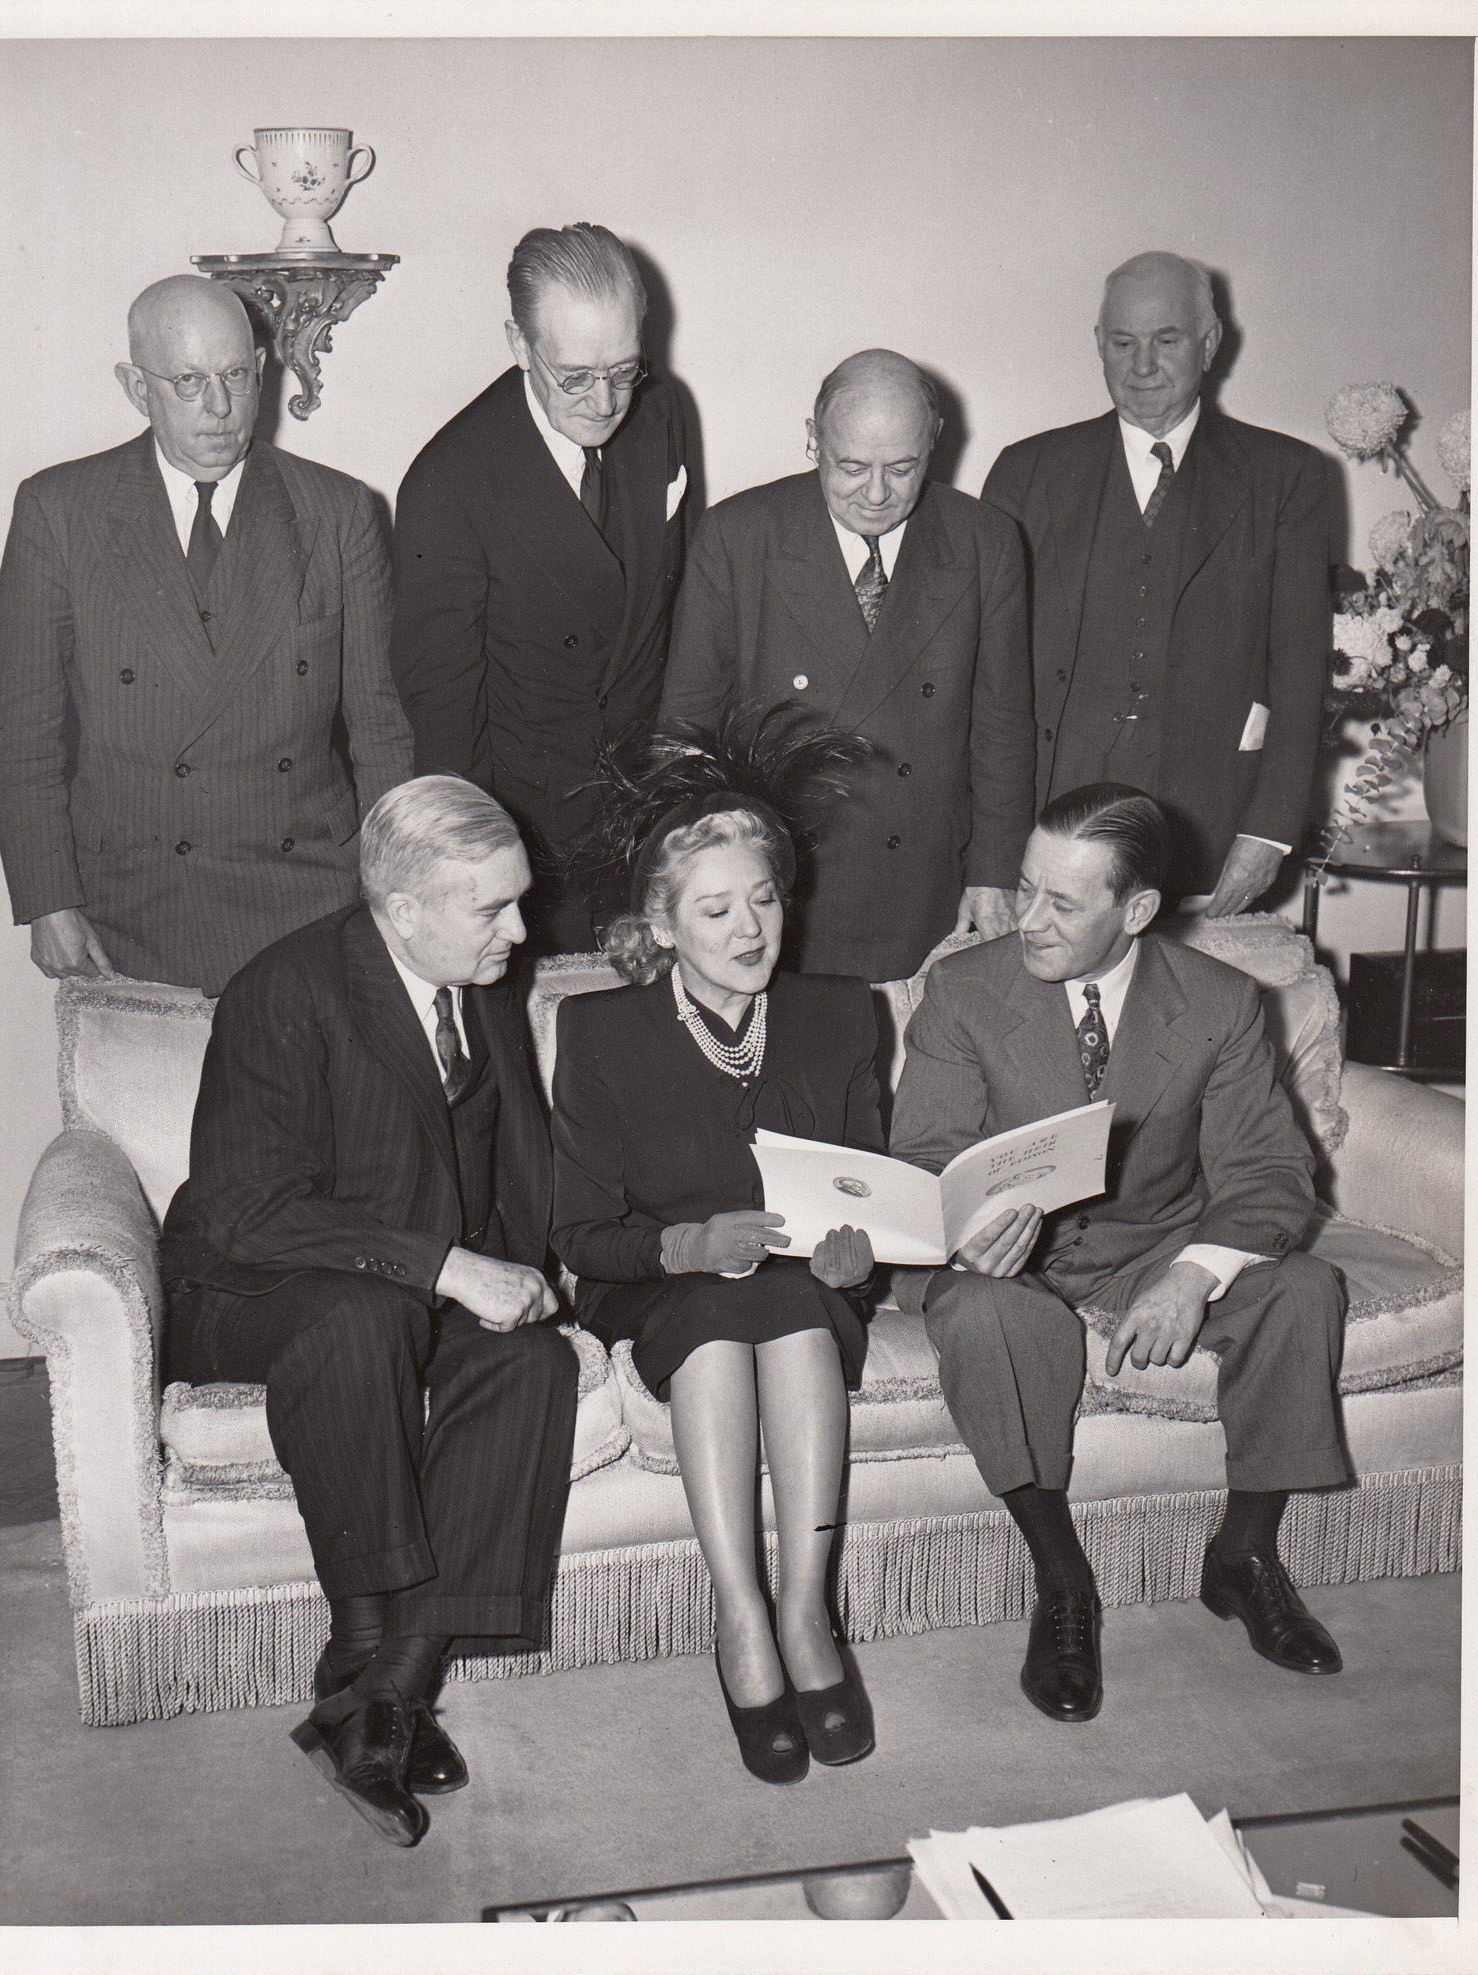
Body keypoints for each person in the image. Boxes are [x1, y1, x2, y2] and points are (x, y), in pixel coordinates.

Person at [160, 776, 579, 1847]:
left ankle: (384, 1689)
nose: (520, 930)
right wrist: (446, 1266)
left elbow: (504, 1160)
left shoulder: (478, 977)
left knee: (532, 1361)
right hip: (254, 1289)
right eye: (492, 907)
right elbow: (247, 1210)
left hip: (405, 1287)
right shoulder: (284, 990)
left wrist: (528, 1275)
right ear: (402, 907)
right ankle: (363, 1652)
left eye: (519, 900)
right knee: (363, 1318)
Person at [890, 783, 1349, 1724]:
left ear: (1135, 910)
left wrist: (1192, 1274)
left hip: (1154, 1245)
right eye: (1025, 887)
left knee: (1304, 1289)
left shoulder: (1218, 1000)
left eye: (1061, 902)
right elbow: (925, 1156)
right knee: (982, 1315)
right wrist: (967, 1229)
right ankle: (1063, 1581)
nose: (1027, 918)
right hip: (1007, 1263)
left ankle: (1243, 1553)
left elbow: (1270, 1171)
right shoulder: (963, 989)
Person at [550, 717, 882, 1784]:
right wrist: (689, 1244)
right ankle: (739, 1612)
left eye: (765, 900)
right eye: (715, 909)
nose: (749, 929)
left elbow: (867, 1193)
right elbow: (577, 1233)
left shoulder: (843, 1015)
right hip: (659, 1285)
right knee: (714, 1317)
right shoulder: (599, 1031)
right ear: (660, 921)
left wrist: (856, 1255)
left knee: (792, 1314)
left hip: (799, 1287)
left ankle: (804, 1612)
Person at [0, 273, 412, 996]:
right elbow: (23, 731)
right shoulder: (59, 511)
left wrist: (395, 892)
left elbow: (381, 728)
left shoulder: (338, 511)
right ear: (136, 387)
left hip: (308, 897)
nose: (219, 408)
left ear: (262, 369)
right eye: (188, 382)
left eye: (235, 376)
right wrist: (48, 900)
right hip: (131, 905)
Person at [660, 349, 1035, 982]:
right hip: (780, 887)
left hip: (927, 878)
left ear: (936, 441)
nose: (877, 494)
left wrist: (995, 871)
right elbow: (685, 736)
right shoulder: (737, 537)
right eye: (852, 467)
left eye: (903, 467)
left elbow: (1003, 730)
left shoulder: (986, 541)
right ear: (814, 439)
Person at [981, 252, 1330, 916]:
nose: (1142, 365)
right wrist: (994, 850)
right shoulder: (1026, 473)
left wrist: (1269, 830)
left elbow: (1298, 668)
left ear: (1209, 344)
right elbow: (989, 681)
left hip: (1210, 831)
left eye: (1166, 340)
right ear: (1098, 345)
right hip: (1052, 827)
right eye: (1122, 343)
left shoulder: (1285, 477)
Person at [392, 223, 693, 953]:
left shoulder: (660, 411)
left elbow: (678, 613)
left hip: (651, 811)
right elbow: (445, 713)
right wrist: (472, 880)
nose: (605, 401)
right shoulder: (448, 481)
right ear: (520, 345)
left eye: (623, 369)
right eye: (575, 376)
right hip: (531, 837)